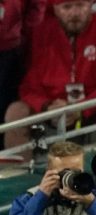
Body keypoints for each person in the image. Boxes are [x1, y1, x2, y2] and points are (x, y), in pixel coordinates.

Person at [3, 0, 96, 148]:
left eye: (80, 5)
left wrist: (82, 108)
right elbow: (29, 86)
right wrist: (47, 106)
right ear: (56, 9)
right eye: (67, 7)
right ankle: (19, 170)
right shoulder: (41, 35)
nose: (74, 13)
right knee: (16, 111)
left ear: (91, 5)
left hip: (94, 106)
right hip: (53, 108)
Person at [0, 0, 46, 148]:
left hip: (10, 50)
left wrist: (27, 32)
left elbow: (36, 7)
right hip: (12, 43)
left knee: (7, 106)